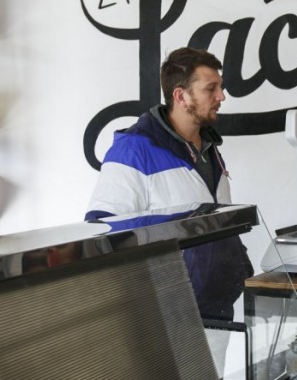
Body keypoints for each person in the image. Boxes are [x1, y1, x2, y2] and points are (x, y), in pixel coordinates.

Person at [85, 47, 253, 377]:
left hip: (216, 307)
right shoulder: (133, 149)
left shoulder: (209, 149)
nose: (221, 96)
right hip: (166, 315)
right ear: (180, 95)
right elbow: (101, 231)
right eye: (211, 88)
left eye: (220, 87)